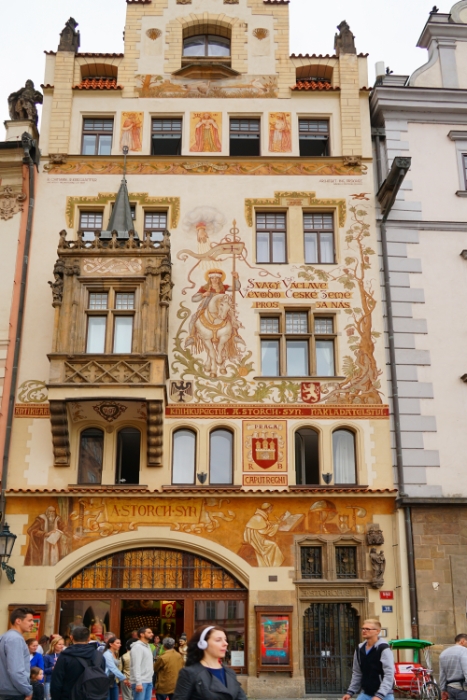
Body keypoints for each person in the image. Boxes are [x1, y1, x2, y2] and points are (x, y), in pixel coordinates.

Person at [173, 625, 247, 700]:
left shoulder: (230, 673)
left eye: (225, 640)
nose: (225, 643)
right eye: (218, 640)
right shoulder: (189, 673)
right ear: (203, 644)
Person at [342, 619, 395, 700]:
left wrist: (380, 695)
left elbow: (389, 673)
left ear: (377, 631)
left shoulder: (383, 649)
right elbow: (357, 672)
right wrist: (350, 692)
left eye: (368, 629)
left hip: (384, 695)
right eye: (363, 628)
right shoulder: (359, 649)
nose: (364, 631)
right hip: (366, 693)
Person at [50, 626, 107, 700]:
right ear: (89, 639)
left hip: (68, 696)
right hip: (93, 697)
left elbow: (56, 683)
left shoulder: (65, 657)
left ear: (71, 637)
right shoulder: (99, 656)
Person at [0, 605, 35, 700]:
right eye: (30, 620)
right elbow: (16, 671)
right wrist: (27, 690)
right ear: (18, 621)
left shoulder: (5, 636)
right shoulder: (16, 639)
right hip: (13, 692)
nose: (33, 623)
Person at [439, 633, 467, 700]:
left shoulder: (443, 653)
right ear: (462, 641)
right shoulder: (464, 651)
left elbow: (442, 674)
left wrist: (443, 690)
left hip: (450, 689)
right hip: (462, 689)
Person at [130, 628, 154, 700]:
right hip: (141, 681)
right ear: (142, 634)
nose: (152, 634)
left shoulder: (148, 646)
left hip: (148, 680)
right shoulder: (137, 647)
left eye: (151, 632)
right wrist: (138, 682)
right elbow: (136, 666)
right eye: (149, 632)